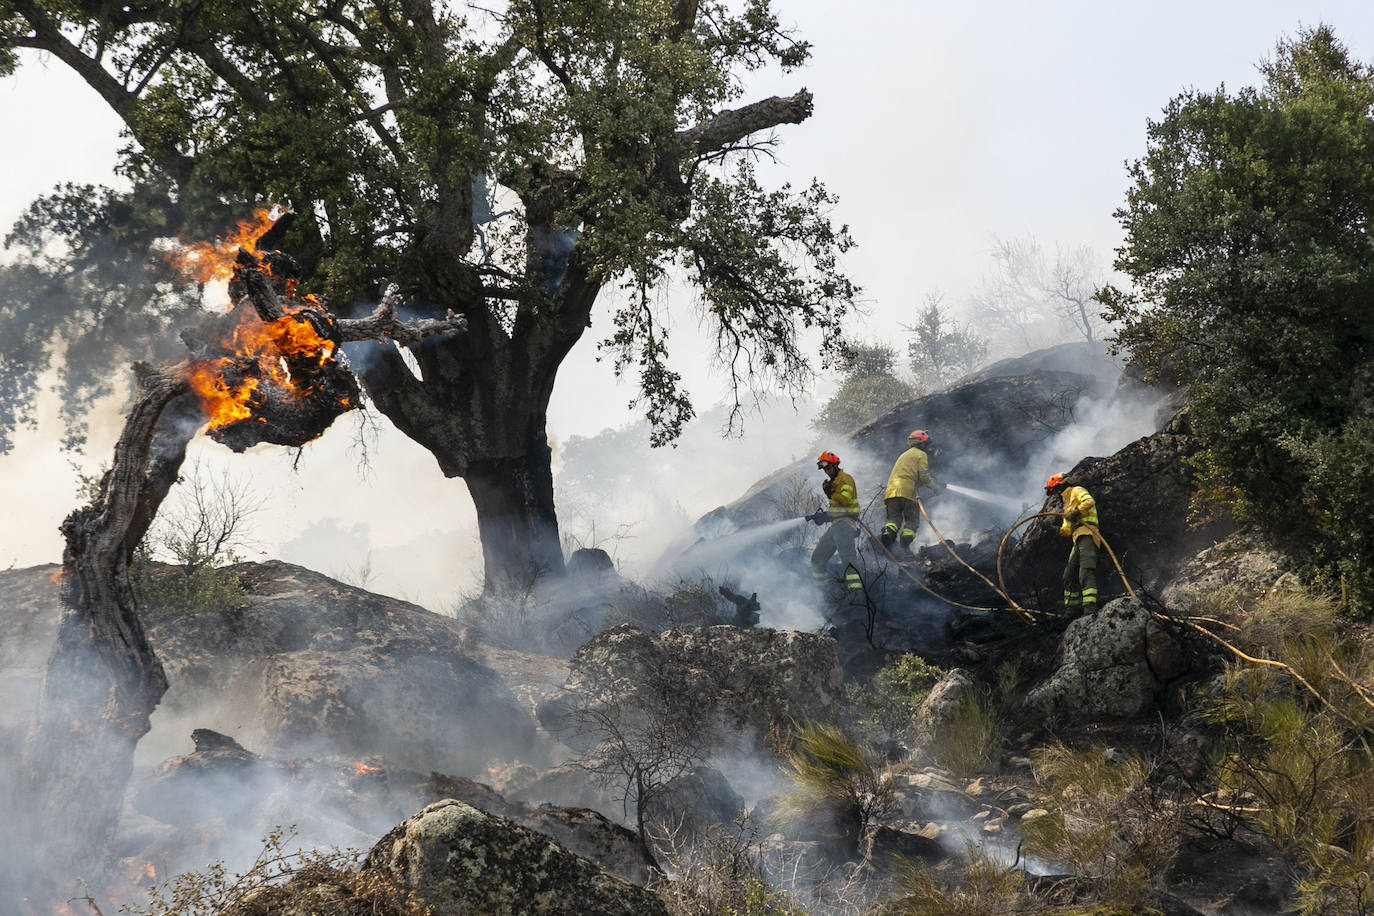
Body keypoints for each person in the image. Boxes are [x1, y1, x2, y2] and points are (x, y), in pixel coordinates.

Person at [1045, 471, 1099, 615]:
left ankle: (1089, 610)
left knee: (1085, 571)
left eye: (1054, 491)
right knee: (1068, 576)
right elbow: (1067, 531)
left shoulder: (1077, 491)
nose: (1054, 495)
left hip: (1088, 534)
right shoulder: (1066, 506)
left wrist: (1075, 512)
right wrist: (1053, 529)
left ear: (1059, 487)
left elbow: (1089, 501)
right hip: (1077, 539)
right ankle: (1071, 611)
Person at [810, 450, 864, 594]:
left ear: (835, 465)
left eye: (828, 468)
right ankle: (822, 593)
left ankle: (857, 595)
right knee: (817, 558)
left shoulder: (845, 479)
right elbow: (837, 510)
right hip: (836, 526)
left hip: (845, 525)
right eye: (824, 469)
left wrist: (830, 493)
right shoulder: (832, 483)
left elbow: (845, 501)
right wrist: (823, 517)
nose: (827, 472)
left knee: (848, 560)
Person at [881, 429, 942, 550]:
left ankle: (888, 536)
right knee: (912, 522)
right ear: (922, 443)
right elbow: (924, 476)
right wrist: (935, 487)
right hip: (908, 492)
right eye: (926, 444)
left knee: (893, 520)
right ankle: (904, 547)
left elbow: (909, 476)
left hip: (891, 491)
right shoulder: (921, 455)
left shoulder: (904, 455)